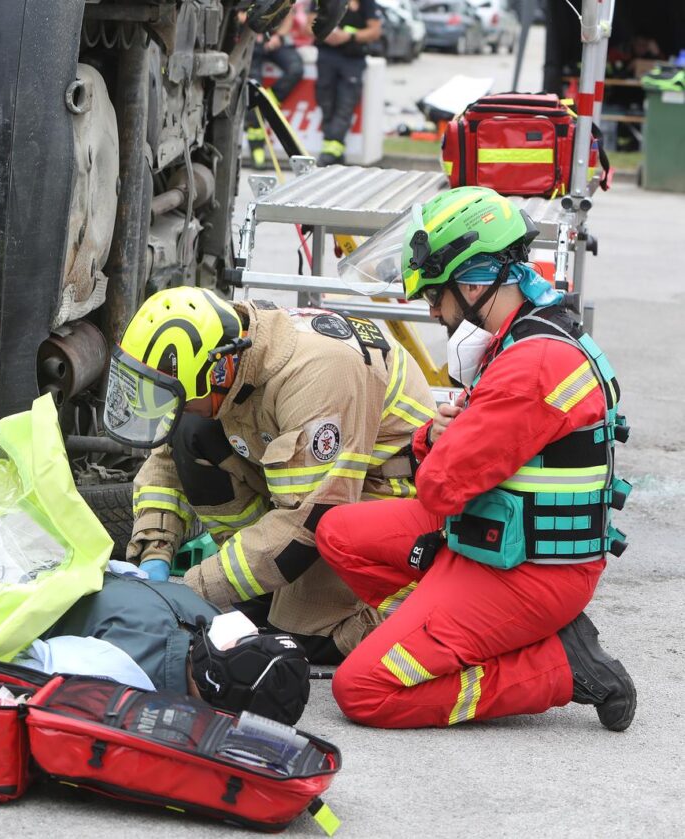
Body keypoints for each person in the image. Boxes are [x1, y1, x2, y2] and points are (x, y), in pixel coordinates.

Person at [315, 186, 636, 730]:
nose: (434, 312)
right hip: (491, 535)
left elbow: (439, 487)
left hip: (528, 572)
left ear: (472, 282)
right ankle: (437, 629)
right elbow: (444, 461)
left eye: (436, 296)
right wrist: (434, 438)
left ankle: (561, 664)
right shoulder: (526, 336)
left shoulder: (528, 367)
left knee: (363, 690)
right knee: (338, 532)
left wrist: (437, 443)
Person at [103, 287, 435, 664]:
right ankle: (261, 587)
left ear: (219, 371)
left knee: (296, 636)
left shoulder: (319, 372)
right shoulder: (226, 350)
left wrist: (192, 590)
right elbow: (165, 460)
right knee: (190, 433)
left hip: (378, 494)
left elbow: (305, 521)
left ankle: (409, 610)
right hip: (313, 484)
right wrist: (153, 555)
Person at [19, 569, 311, 724]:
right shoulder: (209, 620)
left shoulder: (120, 669)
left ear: (215, 679)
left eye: (245, 641)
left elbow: (14, 665)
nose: (239, 628)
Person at [314, 0, 381, 166]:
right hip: (327, 55)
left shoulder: (366, 3)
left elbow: (375, 31)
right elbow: (309, 22)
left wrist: (349, 36)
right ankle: (334, 150)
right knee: (326, 101)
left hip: (352, 58)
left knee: (345, 104)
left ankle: (331, 149)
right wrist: (324, 33)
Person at [245, 6, 305, 169]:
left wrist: (278, 37)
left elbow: (288, 15)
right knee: (252, 92)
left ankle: (269, 100)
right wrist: (252, 31)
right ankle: (256, 151)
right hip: (249, 39)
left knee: (296, 68)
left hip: (273, 40)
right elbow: (238, 15)